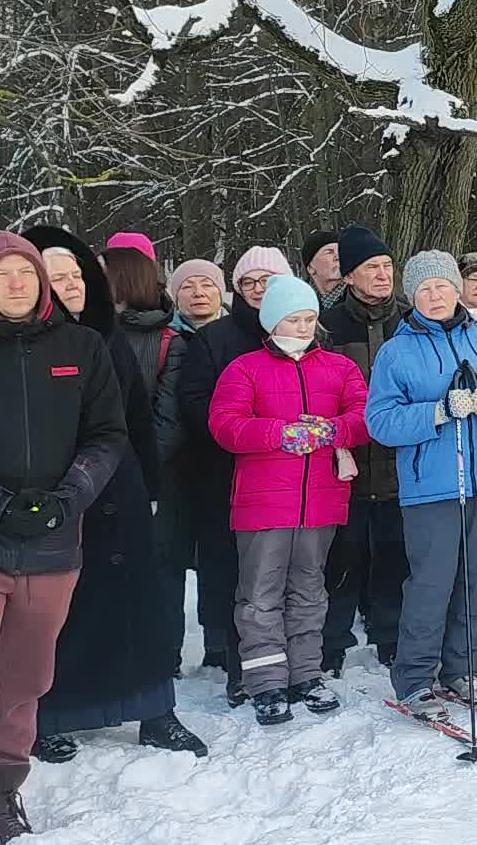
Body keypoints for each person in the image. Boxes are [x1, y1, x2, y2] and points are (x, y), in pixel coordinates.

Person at [0, 231, 129, 844]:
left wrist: (66, 497)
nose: (16, 283)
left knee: (24, 681)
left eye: (25, 272)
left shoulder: (81, 346)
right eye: (1, 275)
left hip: (50, 544)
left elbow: (107, 435)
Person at [24, 226, 200, 763]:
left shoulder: (108, 333)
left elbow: (136, 420)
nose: (72, 284)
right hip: (56, 495)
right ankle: (50, 714)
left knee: (138, 606)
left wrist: (147, 485)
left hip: (121, 491)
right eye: (57, 277)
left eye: (77, 273)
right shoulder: (22, 346)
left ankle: (154, 711)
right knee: (61, 612)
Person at [364, 251, 477, 716]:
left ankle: (461, 667)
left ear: (456, 289)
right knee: (432, 583)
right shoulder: (398, 351)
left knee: (476, 580)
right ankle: (415, 677)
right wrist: (436, 411)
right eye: (424, 290)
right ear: (411, 296)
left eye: (442, 287)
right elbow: (380, 420)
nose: (435, 297)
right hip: (431, 485)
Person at [207, 275, 368, 725]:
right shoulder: (245, 368)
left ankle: (306, 673)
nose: (303, 327)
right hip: (263, 505)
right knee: (260, 596)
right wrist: (279, 433)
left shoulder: (338, 368)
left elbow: (362, 414)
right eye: (294, 319)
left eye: (310, 319)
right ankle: (266, 681)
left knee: (309, 590)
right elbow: (225, 424)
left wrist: (333, 430)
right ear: (273, 320)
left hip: (320, 501)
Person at [180, 246, 293, 698]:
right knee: (239, 576)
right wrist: (251, 435)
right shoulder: (217, 339)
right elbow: (195, 405)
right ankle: (241, 666)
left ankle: (298, 662)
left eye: (268, 281)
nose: (259, 291)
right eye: (249, 283)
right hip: (230, 475)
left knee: (294, 574)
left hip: (295, 478)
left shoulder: (305, 332)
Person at [318, 226, 413, 677]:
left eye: (387, 267)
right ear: (349, 276)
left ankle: (389, 637)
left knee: (394, 554)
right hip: (347, 464)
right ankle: (332, 642)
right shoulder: (328, 326)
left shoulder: (411, 322)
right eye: (371, 268)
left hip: (400, 464)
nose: (382, 275)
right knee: (343, 558)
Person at [103, 245, 193, 678]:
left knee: (161, 568)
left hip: (155, 476)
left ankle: (163, 656)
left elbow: (168, 418)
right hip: (93, 475)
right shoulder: (87, 334)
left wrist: (132, 467)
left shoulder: (169, 342)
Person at [169, 258, 227, 333]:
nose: (198, 293)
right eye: (188, 287)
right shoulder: (160, 338)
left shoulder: (242, 331)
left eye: (207, 285)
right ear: (176, 297)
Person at [301, 230, 342, 299]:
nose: (338, 257)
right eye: (329, 252)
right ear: (311, 268)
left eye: (340, 251)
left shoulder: (360, 295)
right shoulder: (298, 301)